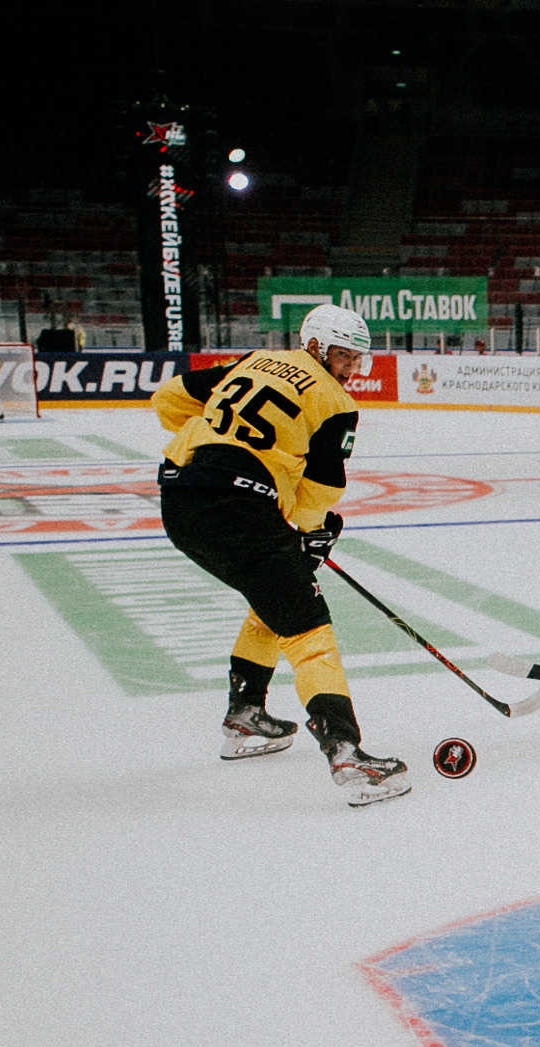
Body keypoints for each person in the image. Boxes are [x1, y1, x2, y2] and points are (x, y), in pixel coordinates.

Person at [150, 304, 409, 807]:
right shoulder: (334, 401)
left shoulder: (253, 360)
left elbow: (168, 400)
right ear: (314, 345)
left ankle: (246, 713)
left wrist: (219, 434)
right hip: (238, 507)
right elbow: (322, 486)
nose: (350, 369)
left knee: (272, 593)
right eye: (342, 356)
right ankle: (347, 753)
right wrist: (310, 533)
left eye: (356, 359)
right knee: (308, 625)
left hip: (180, 500)